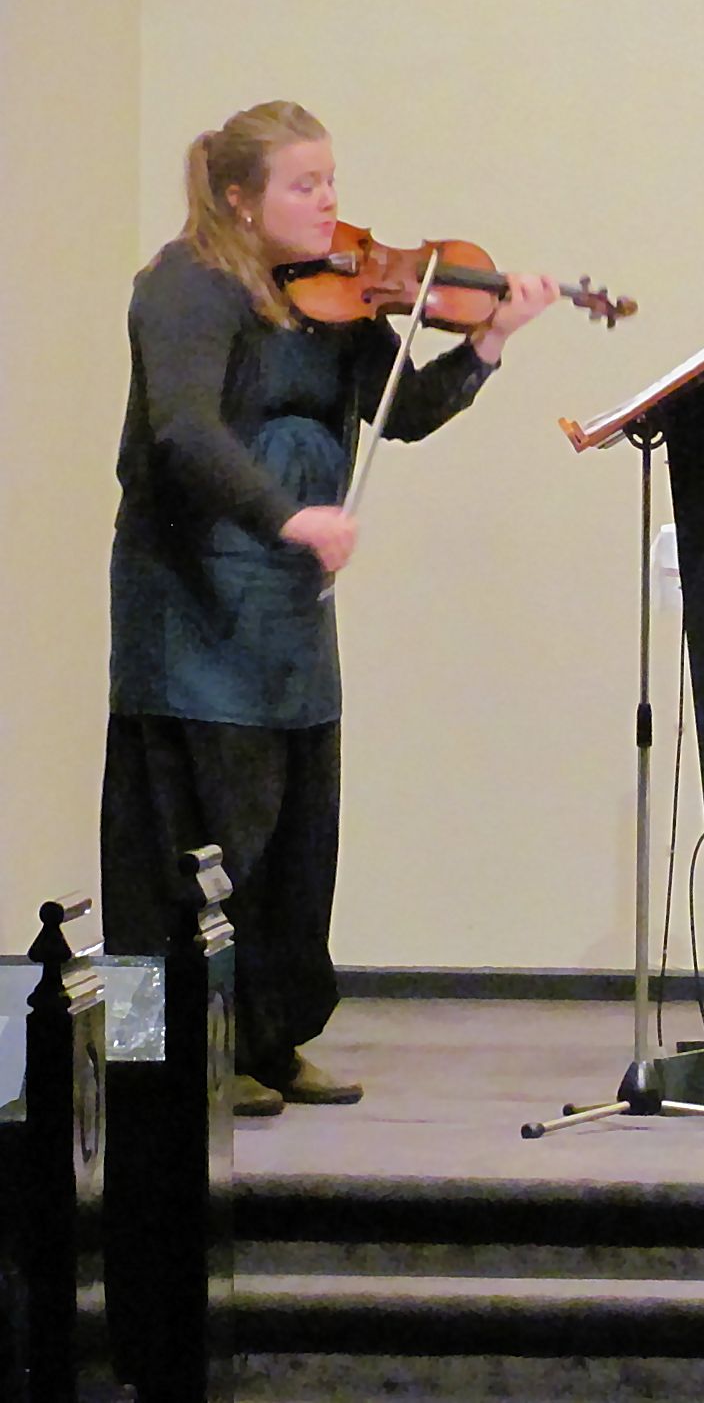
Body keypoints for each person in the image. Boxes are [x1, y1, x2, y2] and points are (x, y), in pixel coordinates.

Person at [99, 101, 558, 1116]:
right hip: (191, 602)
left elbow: (405, 412)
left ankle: (269, 1040)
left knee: (293, 835)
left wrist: (489, 342)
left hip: (289, 611)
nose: (329, 202)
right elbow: (184, 433)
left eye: (331, 179)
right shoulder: (186, 286)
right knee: (185, 842)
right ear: (238, 198)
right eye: (303, 184)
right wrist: (290, 516)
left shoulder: (332, 296)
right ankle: (168, 1060)